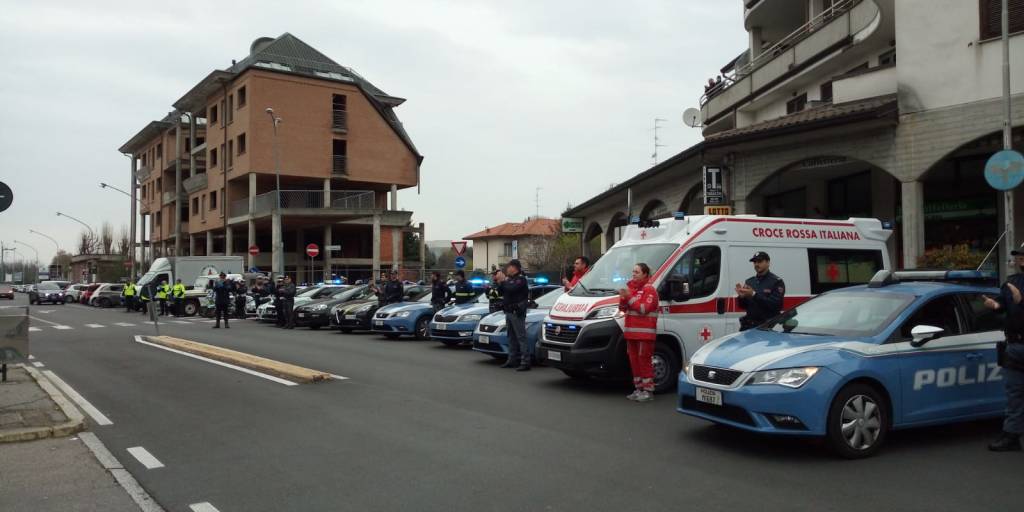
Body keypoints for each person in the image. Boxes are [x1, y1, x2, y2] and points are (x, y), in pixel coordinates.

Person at [983, 248, 1024, 452]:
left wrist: (1021, 301)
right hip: (1014, 345)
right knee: (1014, 393)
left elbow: (1018, 303)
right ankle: (1012, 435)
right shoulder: (1012, 282)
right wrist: (995, 305)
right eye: (1019, 256)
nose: (1021, 259)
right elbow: (1003, 304)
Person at [619, 263, 660, 402]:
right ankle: (638, 389)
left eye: (637, 271)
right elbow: (623, 309)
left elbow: (644, 309)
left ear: (645, 274)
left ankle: (648, 391)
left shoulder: (650, 290)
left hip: (645, 334)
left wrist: (629, 297)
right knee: (634, 361)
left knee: (644, 361)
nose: (633, 274)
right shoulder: (632, 289)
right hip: (631, 333)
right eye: (633, 271)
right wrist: (623, 298)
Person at [735, 251, 785, 331]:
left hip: (767, 327)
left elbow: (775, 305)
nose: (756, 264)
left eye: (760, 261)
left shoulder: (776, 282)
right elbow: (743, 306)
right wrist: (741, 297)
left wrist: (754, 295)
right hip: (749, 326)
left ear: (768, 262)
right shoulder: (750, 281)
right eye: (754, 262)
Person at [498, 260, 531, 371]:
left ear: (515, 268)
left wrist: (503, 281)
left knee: (521, 337)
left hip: (517, 312)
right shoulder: (509, 280)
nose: (507, 269)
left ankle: (525, 361)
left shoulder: (521, 279)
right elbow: (501, 292)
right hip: (508, 312)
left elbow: (512, 289)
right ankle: (512, 359)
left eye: (509, 267)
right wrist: (501, 282)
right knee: (511, 337)